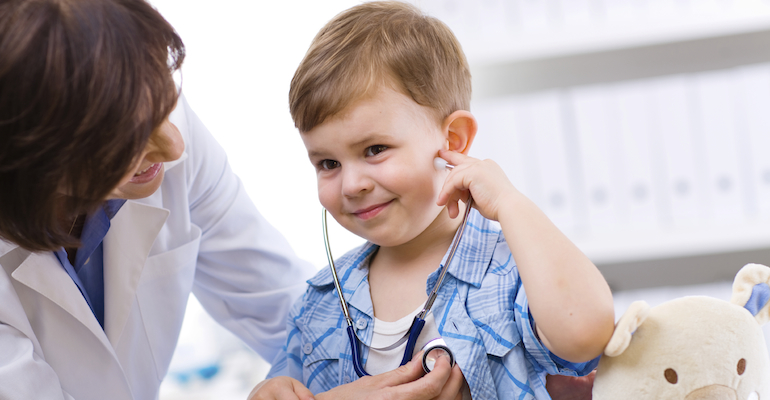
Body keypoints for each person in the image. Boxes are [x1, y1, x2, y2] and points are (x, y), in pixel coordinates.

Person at [257, 2, 616, 399]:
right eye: (328, 163)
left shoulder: (511, 273)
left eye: (375, 149)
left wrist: (511, 204)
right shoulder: (319, 303)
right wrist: (270, 391)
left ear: (452, 141)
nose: (352, 185)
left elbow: (586, 334)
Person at [0, 0, 319, 399]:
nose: (173, 147)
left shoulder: (154, 125)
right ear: (29, 157)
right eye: (126, 142)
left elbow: (291, 314)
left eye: (165, 102)